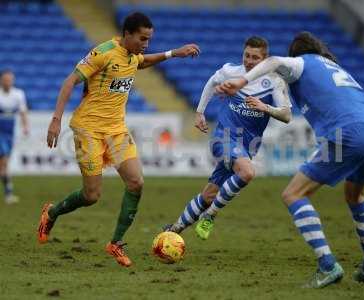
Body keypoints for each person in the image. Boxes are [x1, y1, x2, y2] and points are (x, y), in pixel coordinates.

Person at [217, 31, 364, 288]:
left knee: (293, 194)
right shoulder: (337, 68)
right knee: (355, 195)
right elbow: (362, 111)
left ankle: (327, 265)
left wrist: (241, 82)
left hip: (346, 133)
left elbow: (275, 62)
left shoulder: (303, 62)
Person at [37, 12, 200, 267]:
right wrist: (56, 120)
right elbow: (69, 82)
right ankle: (52, 212)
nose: (146, 44)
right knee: (91, 196)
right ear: (127, 34)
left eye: (149, 39)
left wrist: (172, 54)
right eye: (143, 39)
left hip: (116, 130)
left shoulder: (133, 55)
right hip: (88, 130)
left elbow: (141, 61)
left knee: (136, 182)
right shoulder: (102, 53)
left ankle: (115, 243)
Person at [164, 36, 291, 240]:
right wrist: (200, 112)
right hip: (223, 138)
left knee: (209, 195)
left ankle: (173, 230)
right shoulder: (231, 71)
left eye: (255, 58)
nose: (249, 61)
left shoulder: (274, 81)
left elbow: (286, 115)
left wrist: (264, 107)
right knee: (248, 172)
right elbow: (212, 82)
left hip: (248, 146)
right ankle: (210, 216)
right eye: (246, 55)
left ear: (265, 60)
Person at [0, 70, 29, 204]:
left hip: (9, 134)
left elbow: (23, 112)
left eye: (10, 79)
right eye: (5, 79)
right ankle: (8, 193)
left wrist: (25, 126)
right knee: (4, 162)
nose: (8, 82)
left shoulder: (18, 94)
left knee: (4, 165)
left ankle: (8, 192)